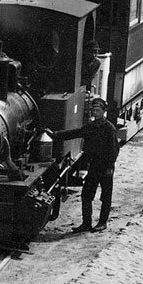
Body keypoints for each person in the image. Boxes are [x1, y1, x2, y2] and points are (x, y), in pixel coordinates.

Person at [49, 98, 119, 233]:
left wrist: (109, 167)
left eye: (98, 110)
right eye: (94, 110)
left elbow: (114, 150)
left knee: (105, 196)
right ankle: (86, 223)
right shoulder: (91, 126)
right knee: (86, 195)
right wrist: (55, 135)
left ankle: (102, 222)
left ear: (104, 112)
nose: (96, 113)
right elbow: (75, 133)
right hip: (94, 166)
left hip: (106, 167)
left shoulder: (109, 128)